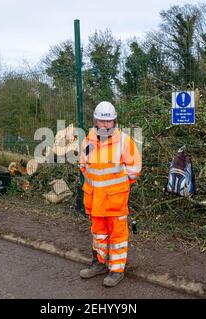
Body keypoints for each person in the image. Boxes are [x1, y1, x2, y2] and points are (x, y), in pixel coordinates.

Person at [79, 101, 142, 287]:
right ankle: (99, 264)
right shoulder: (87, 142)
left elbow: (134, 169)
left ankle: (116, 270)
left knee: (117, 235)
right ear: (95, 121)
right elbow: (84, 167)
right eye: (102, 121)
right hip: (94, 198)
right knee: (98, 234)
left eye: (109, 121)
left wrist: (118, 188)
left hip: (115, 200)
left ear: (115, 121)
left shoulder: (124, 141)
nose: (105, 125)